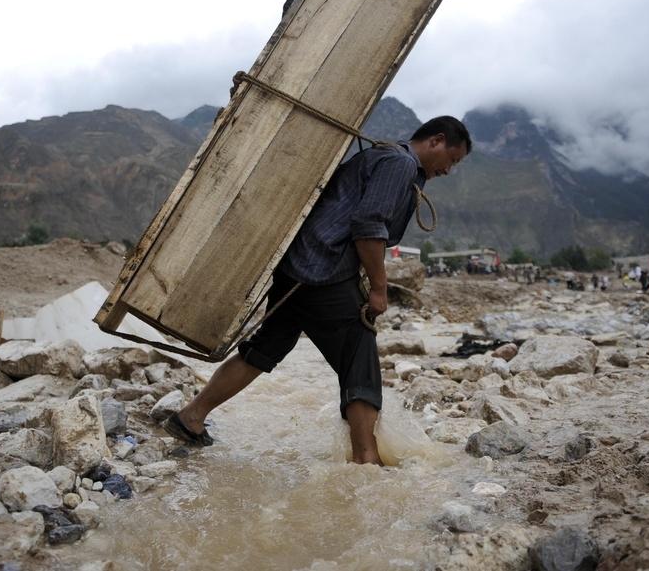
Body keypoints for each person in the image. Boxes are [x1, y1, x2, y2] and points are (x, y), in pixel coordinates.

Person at [165, 116, 472, 465]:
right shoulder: (400, 164)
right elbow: (369, 226)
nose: (449, 170)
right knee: (359, 352)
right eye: (453, 160)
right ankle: (366, 459)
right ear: (437, 140)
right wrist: (378, 288)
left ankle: (191, 417)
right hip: (322, 267)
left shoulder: (384, 156)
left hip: (297, 265)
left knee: (265, 348)